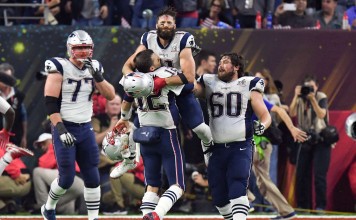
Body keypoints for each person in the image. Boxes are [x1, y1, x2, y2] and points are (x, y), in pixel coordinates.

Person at [116, 6, 212, 177]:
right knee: (133, 128)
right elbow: (128, 65)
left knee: (199, 128)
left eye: (169, 22)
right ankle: (129, 159)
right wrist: (134, 80)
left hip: (177, 85)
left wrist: (163, 81)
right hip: (155, 88)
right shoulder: (148, 38)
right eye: (163, 22)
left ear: (175, 25)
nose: (166, 25)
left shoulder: (184, 40)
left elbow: (189, 77)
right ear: (156, 25)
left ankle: (209, 148)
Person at [41, 29, 115, 220]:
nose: (83, 52)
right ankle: (48, 207)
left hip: (85, 127)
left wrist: (97, 75)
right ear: (70, 49)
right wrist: (60, 129)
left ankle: (93, 217)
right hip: (64, 126)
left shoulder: (95, 66)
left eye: (86, 47)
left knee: (93, 176)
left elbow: (110, 95)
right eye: (79, 48)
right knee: (66, 179)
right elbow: (50, 103)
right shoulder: (58, 66)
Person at [193, 52, 271, 220]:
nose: (221, 65)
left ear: (237, 67)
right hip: (216, 147)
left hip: (240, 145)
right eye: (220, 62)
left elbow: (265, 115)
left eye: (226, 62)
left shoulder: (248, 84)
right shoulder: (209, 81)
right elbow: (191, 89)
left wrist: (262, 126)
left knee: (238, 184)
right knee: (219, 197)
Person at [117, 49, 191, 220]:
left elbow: (127, 101)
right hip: (166, 134)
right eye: (157, 59)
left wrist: (123, 119)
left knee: (152, 185)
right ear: (151, 68)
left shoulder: (133, 79)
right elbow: (188, 81)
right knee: (178, 184)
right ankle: (157, 214)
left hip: (144, 135)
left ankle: (146, 215)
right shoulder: (166, 74)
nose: (161, 59)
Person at [250, 98, 308, 220]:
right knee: (263, 183)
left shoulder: (252, 96)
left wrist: (292, 128)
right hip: (256, 144)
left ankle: (245, 200)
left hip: (259, 144)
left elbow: (280, 111)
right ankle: (286, 212)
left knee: (230, 166)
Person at [289, 75, 330, 211]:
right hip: (305, 138)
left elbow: (322, 114)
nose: (310, 90)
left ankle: (320, 207)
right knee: (301, 175)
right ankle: (302, 206)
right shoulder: (300, 97)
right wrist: (296, 96)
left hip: (321, 139)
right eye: (307, 87)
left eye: (312, 87)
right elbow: (292, 112)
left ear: (317, 87)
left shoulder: (321, 96)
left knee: (319, 176)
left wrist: (313, 100)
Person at [32, 133, 84, 215]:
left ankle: (43, 207)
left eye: (43, 143)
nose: (42, 147)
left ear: (50, 140)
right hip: (79, 184)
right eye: (40, 146)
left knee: (37, 172)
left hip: (70, 178)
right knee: (63, 210)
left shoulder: (55, 146)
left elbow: (43, 164)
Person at [0, 96, 33, 176]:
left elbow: (11, 113)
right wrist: (5, 132)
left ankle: (8, 157)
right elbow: (10, 113)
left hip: (19, 173)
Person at [0, 63, 28, 149]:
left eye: (8, 78)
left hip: (13, 138)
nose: (5, 81)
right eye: (3, 77)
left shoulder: (18, 95)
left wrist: (24, 137)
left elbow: (23, 116)